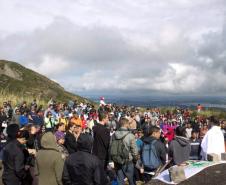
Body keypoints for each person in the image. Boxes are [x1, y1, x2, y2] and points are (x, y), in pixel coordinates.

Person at [111, 118, 138, 185]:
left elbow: (111, 147)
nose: (129, 125)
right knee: (131, 180)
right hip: (128, 160)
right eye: (128, 123)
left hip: (117, 160)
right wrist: (135, 159)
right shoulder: (130, 135)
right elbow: (134, 151)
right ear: (125, 124)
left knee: (120, 180)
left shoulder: (114, 135)